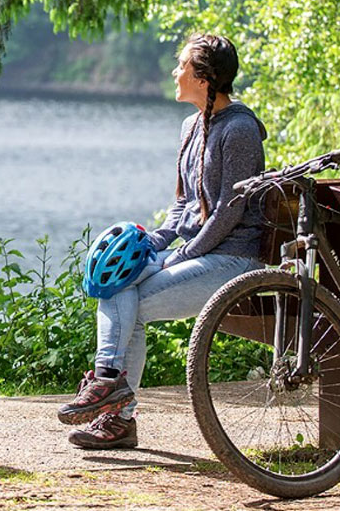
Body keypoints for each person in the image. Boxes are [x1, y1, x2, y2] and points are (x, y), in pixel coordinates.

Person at [57, 33, 267, 449]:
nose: (175, 72)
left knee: (126, 305)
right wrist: (154, 242)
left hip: (233, 258)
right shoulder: (192, 125)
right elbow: (183, 203)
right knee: (117, 282)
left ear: (204, 78)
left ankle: (113, 402)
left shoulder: (239, 129)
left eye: (183, 66)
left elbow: (230, 210)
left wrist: (183, 253)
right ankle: (112, 397)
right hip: (197, 252)